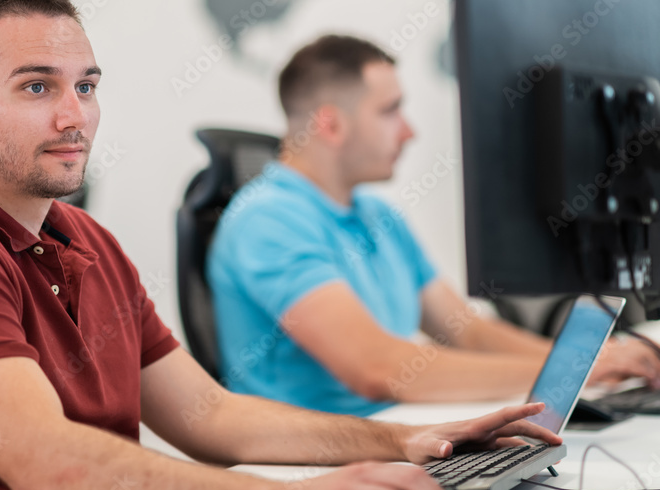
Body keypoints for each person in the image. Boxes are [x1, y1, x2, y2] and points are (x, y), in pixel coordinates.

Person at [0, 0, 561, 490]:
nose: (75, 117)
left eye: (86, 87)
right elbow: (47, 462)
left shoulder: (83, 239)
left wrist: (406, 441)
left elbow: (208, 414)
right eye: (37, 86)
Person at [207, 34, 660, 418]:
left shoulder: (375, 214)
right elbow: (377, 367)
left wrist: (589, 360)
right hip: (316, 468)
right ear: (331, 125)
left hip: (394, 434)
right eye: (390, 111)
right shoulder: (265, 222)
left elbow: (466, 331)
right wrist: (573, 369)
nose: (409, 132)